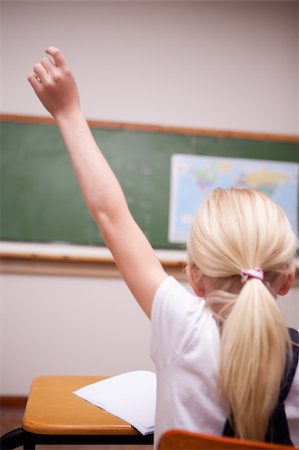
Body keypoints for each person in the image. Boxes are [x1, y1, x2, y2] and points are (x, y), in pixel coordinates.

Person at [28, 47, 299, 447]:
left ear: (195, 278)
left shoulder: (182, 326)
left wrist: (68, 112)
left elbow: (111, 215)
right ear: (288, 280)